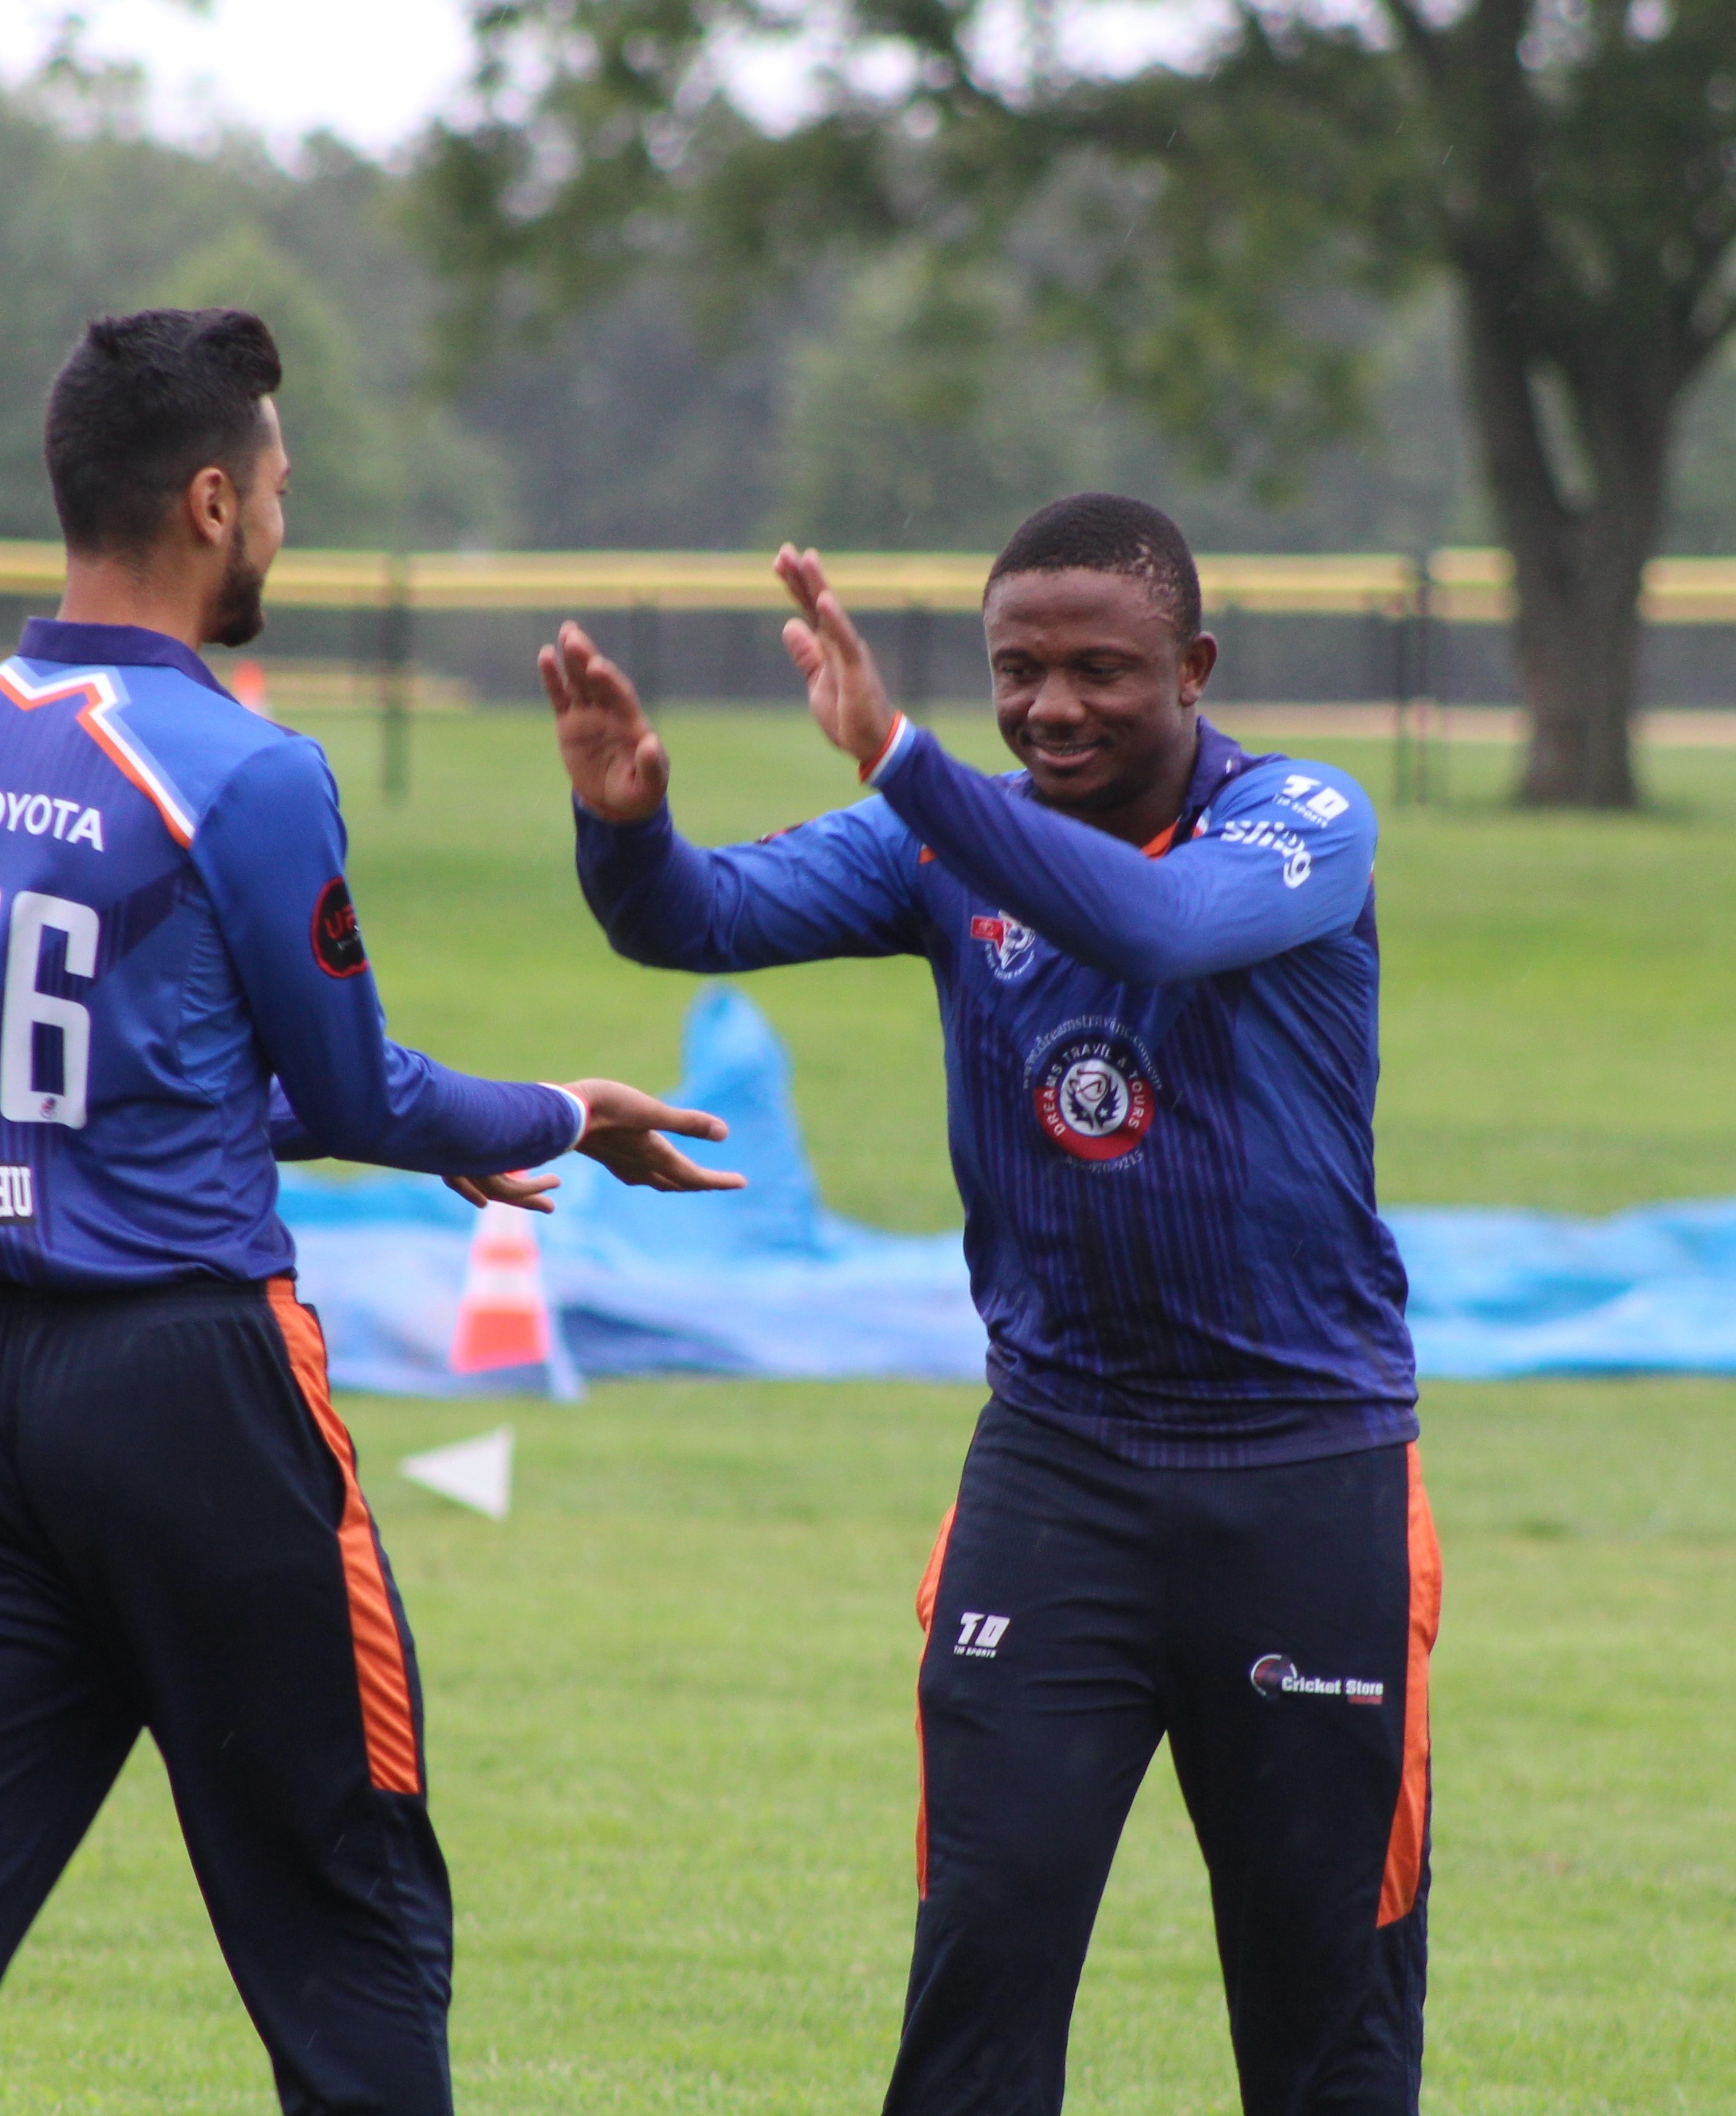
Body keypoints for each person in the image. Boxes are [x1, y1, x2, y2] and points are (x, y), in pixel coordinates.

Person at [0, 307, 741, 2116]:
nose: (288, 528)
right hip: (195, 1392)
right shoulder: (241, 763)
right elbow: (356, 1088)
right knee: (351, 1902)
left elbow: (161, 1082)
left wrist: (376, 1123)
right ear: (213, 499)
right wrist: (562, 1111)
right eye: (285, 490)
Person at [542, 493, 1438, 2116]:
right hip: (1060, 1475)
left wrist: (905, 763)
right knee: (979, 1985)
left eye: (1101, 669)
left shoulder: (1301, 819)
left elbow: (1153, 929)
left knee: (1330, 2025)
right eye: (1018, 671)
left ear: (1195, 668)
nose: (1052, 707)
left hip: (1308, 1481)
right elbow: (695, 921)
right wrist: (626, 828)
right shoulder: (939, 840)